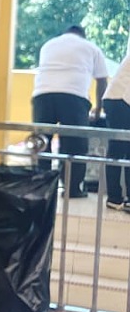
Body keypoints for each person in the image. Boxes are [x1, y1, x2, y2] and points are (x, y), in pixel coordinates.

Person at [32, 25, 108, 198]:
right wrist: (98, 108)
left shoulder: (48, 45)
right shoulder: (90, 47)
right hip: (74, 97)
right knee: (74, 144)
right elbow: (102, 81)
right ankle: (72, 189)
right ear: (83, 35)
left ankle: (41, 187)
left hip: (42, 95)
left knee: (42, 142)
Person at [103, 43, 130, 209]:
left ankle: (122, 198)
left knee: (122, 150)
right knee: (118, 149)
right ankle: (114, 197)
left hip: (119, 99)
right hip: (120, 99)